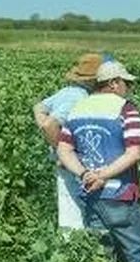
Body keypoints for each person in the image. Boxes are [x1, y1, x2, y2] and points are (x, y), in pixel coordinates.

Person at [56, 60, 140, 262]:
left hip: (90, 193)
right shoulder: (125, 109)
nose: (128, 88)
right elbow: (134, 153)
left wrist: (85, 174)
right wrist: (104, 175)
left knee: (101, 257)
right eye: (126, 83)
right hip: (122, 194)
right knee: (136, 254)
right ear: (114, 83)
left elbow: (63, 150)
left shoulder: (78, 109)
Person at [32, 53, 101, 229]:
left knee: (68, 204)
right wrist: (62, 152)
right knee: (77, 211)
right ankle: (81, 242)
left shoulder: (67, 91)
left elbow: (38, 108)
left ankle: (72, 242)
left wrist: (57, 147)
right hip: (74, 161)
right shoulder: (78, 97)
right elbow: (50, 125)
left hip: (66, 161)